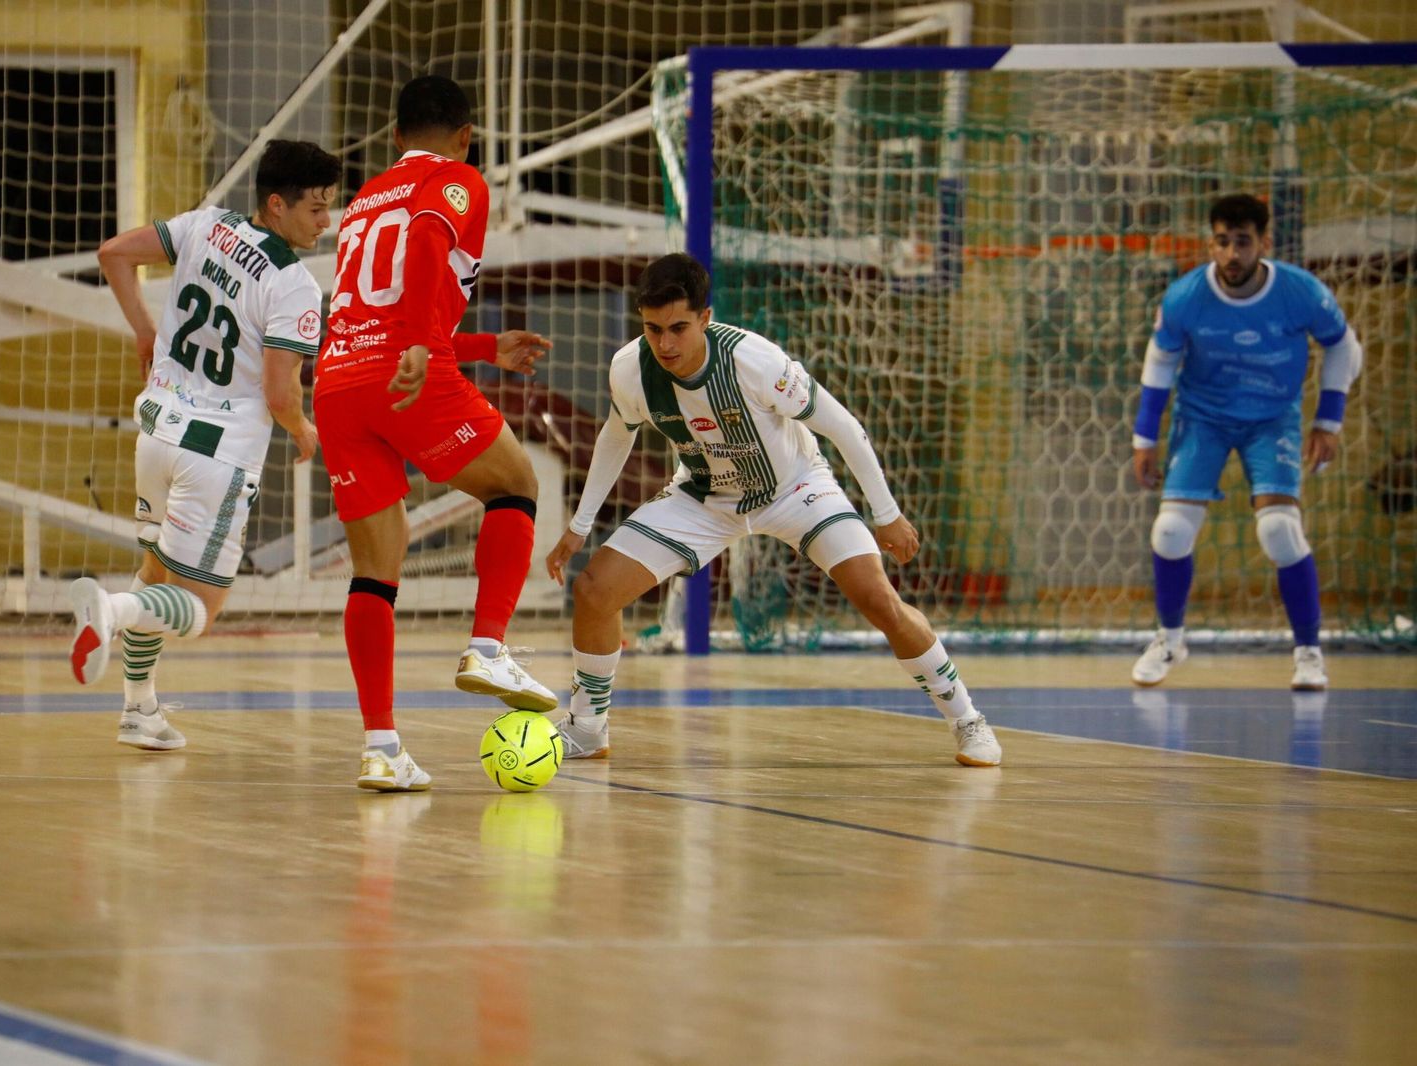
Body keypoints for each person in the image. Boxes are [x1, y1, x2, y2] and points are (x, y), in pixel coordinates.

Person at [544, 253, 1003, 767]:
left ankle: (968, 720)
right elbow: (615, 435)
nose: (665, 344)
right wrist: (580, 526)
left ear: (705, 317)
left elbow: (844, 427)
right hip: (704, 498)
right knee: (594, 590)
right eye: (653, 330)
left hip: (795, 489)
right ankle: (588, 728)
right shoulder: (630, 369)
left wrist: (887, 513)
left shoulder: (756, 362)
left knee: (879, 600)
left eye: (678, 328)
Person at [316, 74, 557, 793]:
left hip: (338, 383)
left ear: (394, 137)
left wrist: (482, 349)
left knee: (374, 572)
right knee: (516, 484)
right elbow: (423, 244)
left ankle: (382, 748)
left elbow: (374, 300)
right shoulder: (458, 178)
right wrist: (424, 345)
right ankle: (486, 646)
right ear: (466, 135)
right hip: (403, 371)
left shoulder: (362, 199)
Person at [70, 139, 338, 750]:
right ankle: (108, 614)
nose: (326, 221)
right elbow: (279, 391)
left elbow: (112, 253)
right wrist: (301, 429)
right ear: (277, 205)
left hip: (156, 434)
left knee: (156, 574)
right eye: (316, 209)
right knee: (199, 614)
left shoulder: (203, 225)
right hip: (215, 456)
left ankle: (139, 709)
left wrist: (144, 329)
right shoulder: (293, 285)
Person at [1130, 193, 1362, 690]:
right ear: (1210, 244)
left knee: (1279, 530)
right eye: (1222, 242)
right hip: (1203, 418)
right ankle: (1170, 639)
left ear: (1264, 243)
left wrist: (1329, 422)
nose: (1232, 254)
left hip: (1272, 419)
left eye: (1243, 242)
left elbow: (1344, 346)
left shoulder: (1299, 292)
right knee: (1169, 531)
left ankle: (1308, 653)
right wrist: (1143, 437)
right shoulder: (1185, 296)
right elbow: (1161, 361)